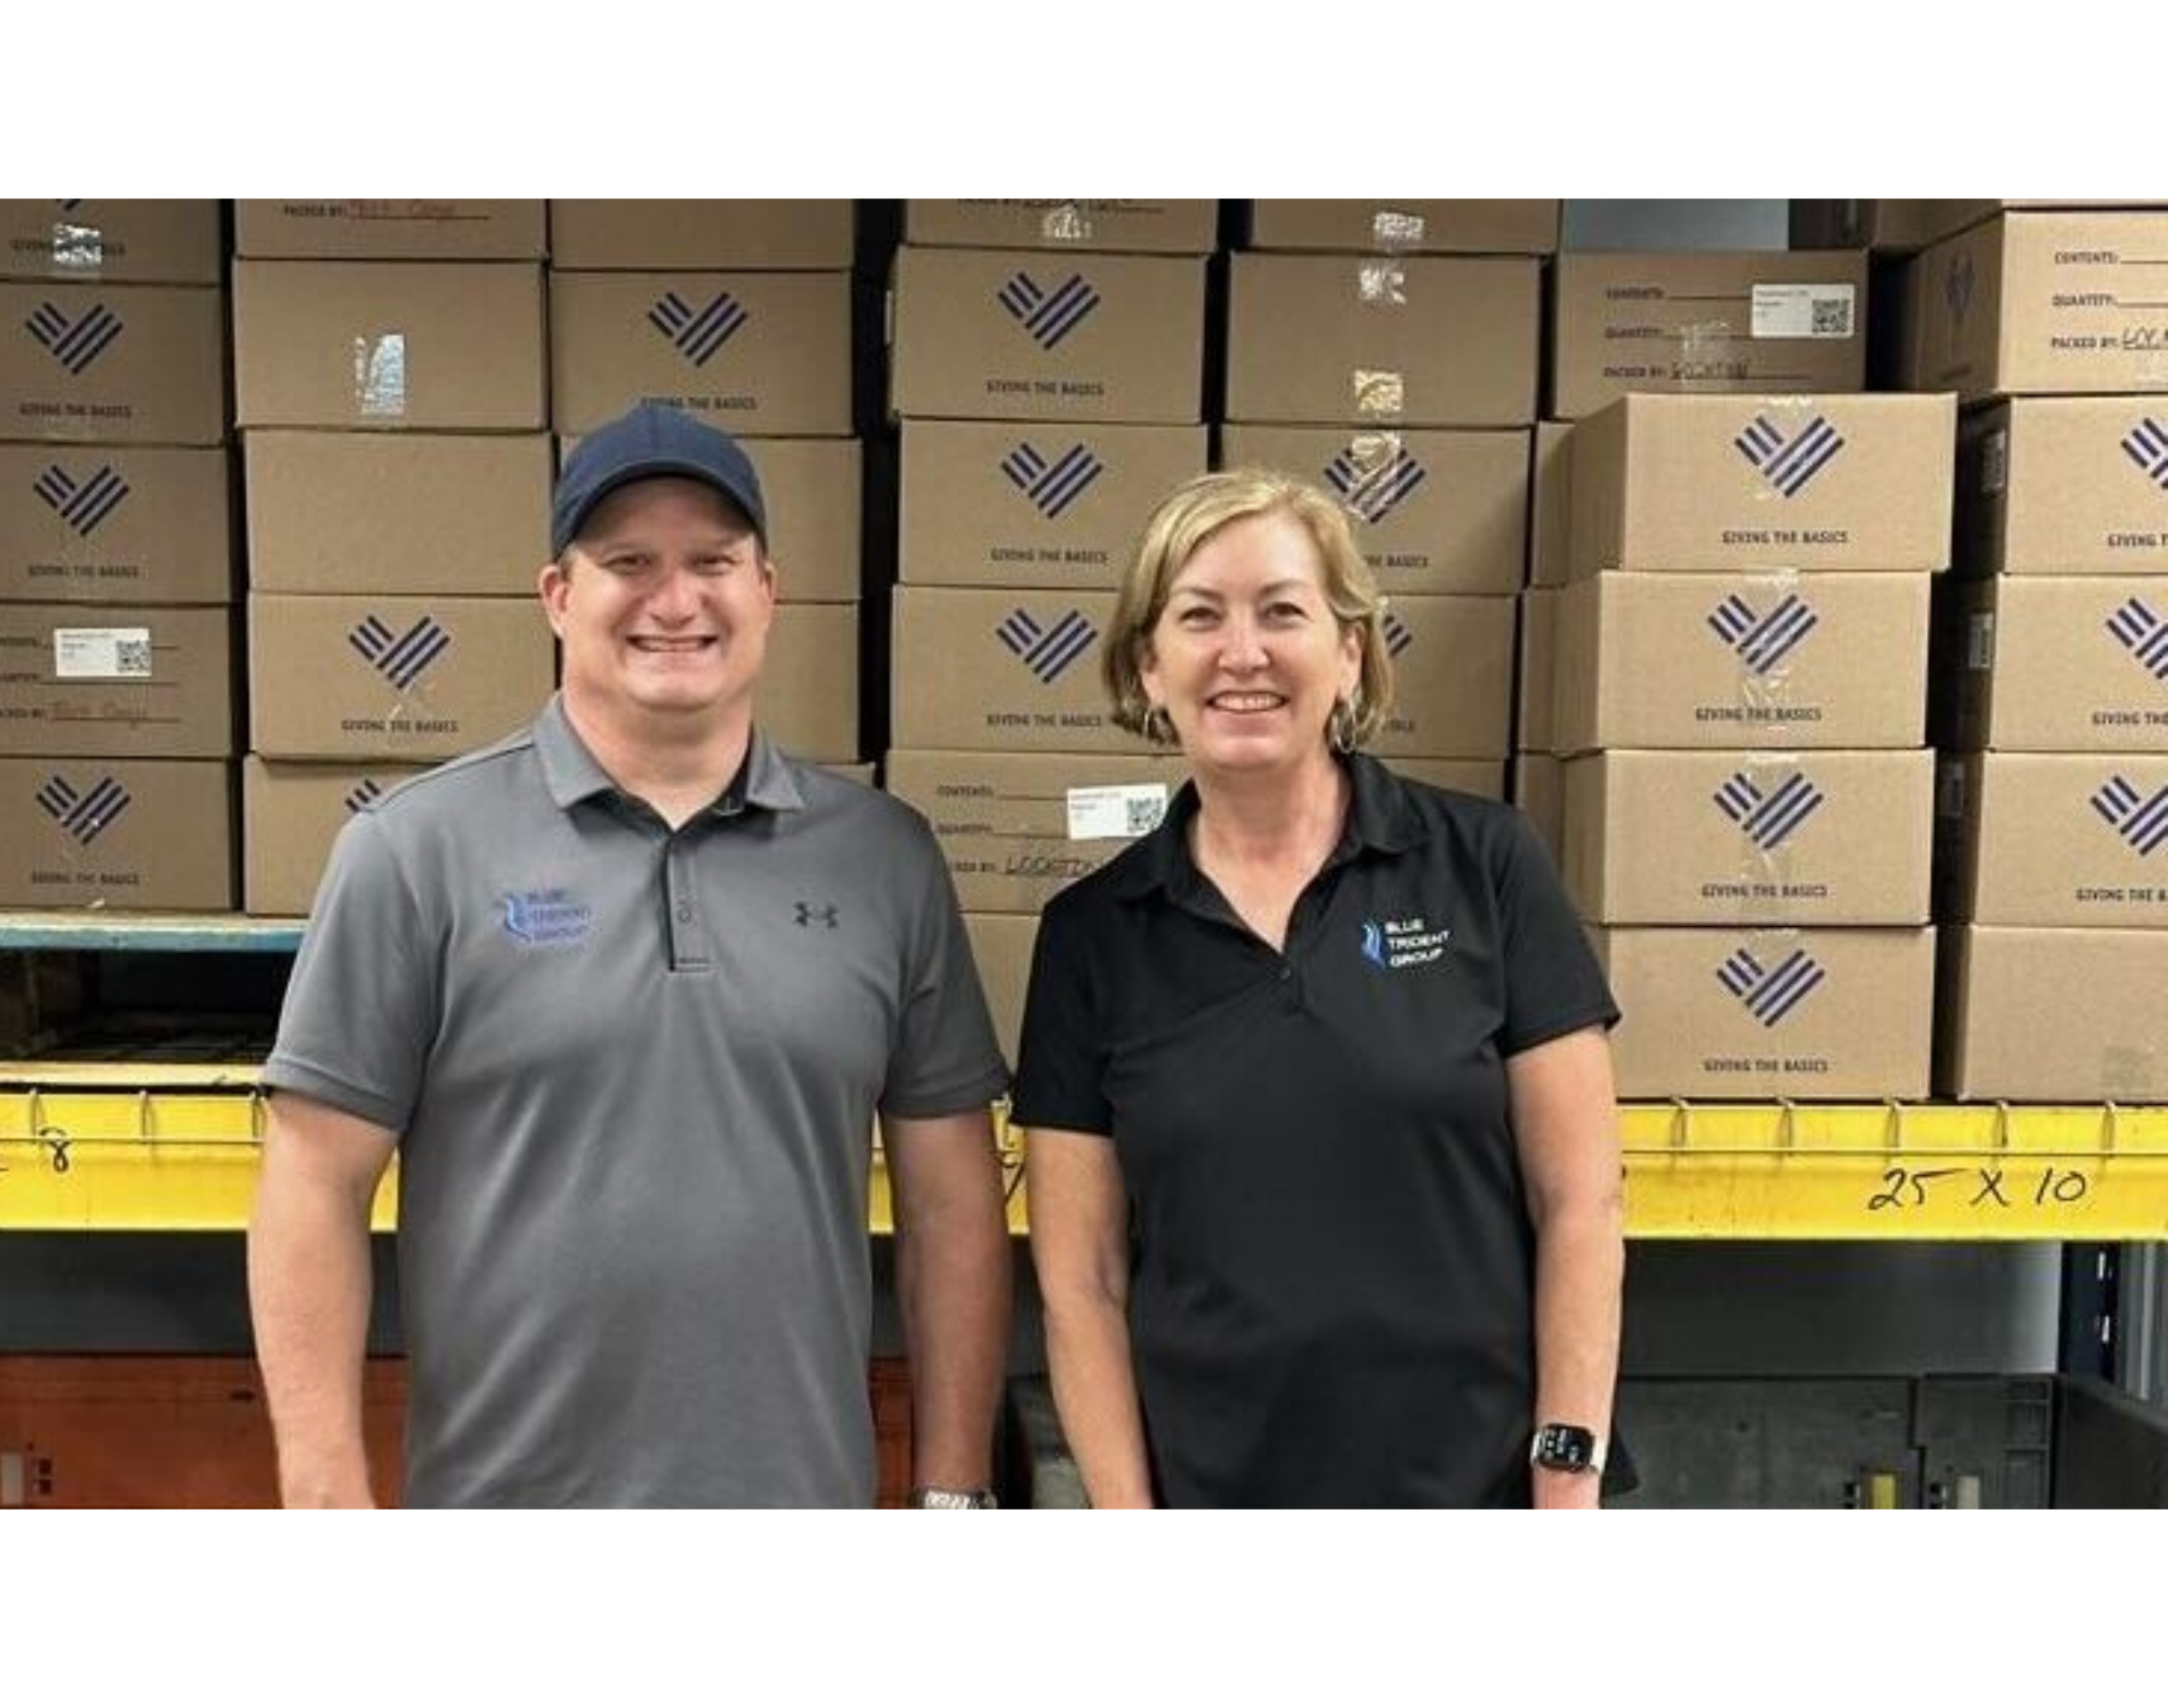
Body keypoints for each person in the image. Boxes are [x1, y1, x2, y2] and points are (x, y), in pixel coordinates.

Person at [248, 403, 1012, 1508]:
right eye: (628, 563)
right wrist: (324, 1490)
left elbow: (951, 1202)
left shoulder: (883, 860)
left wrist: (952, 1490)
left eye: (713, 561)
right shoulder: (414, 852)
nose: (675, 599)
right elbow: (313, 1185)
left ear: (767, 592)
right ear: (558, 596)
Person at [1016, 469, 1623, 1509]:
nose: (1241, 653)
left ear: (1348, 655)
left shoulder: (1483, 864)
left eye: (1282, 612)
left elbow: (1582, 1201)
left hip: (1479, 1486)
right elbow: (1082, 1282)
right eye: (1198, 616)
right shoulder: (1091, 937)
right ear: (1148, 669)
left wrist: (1564, 1475)